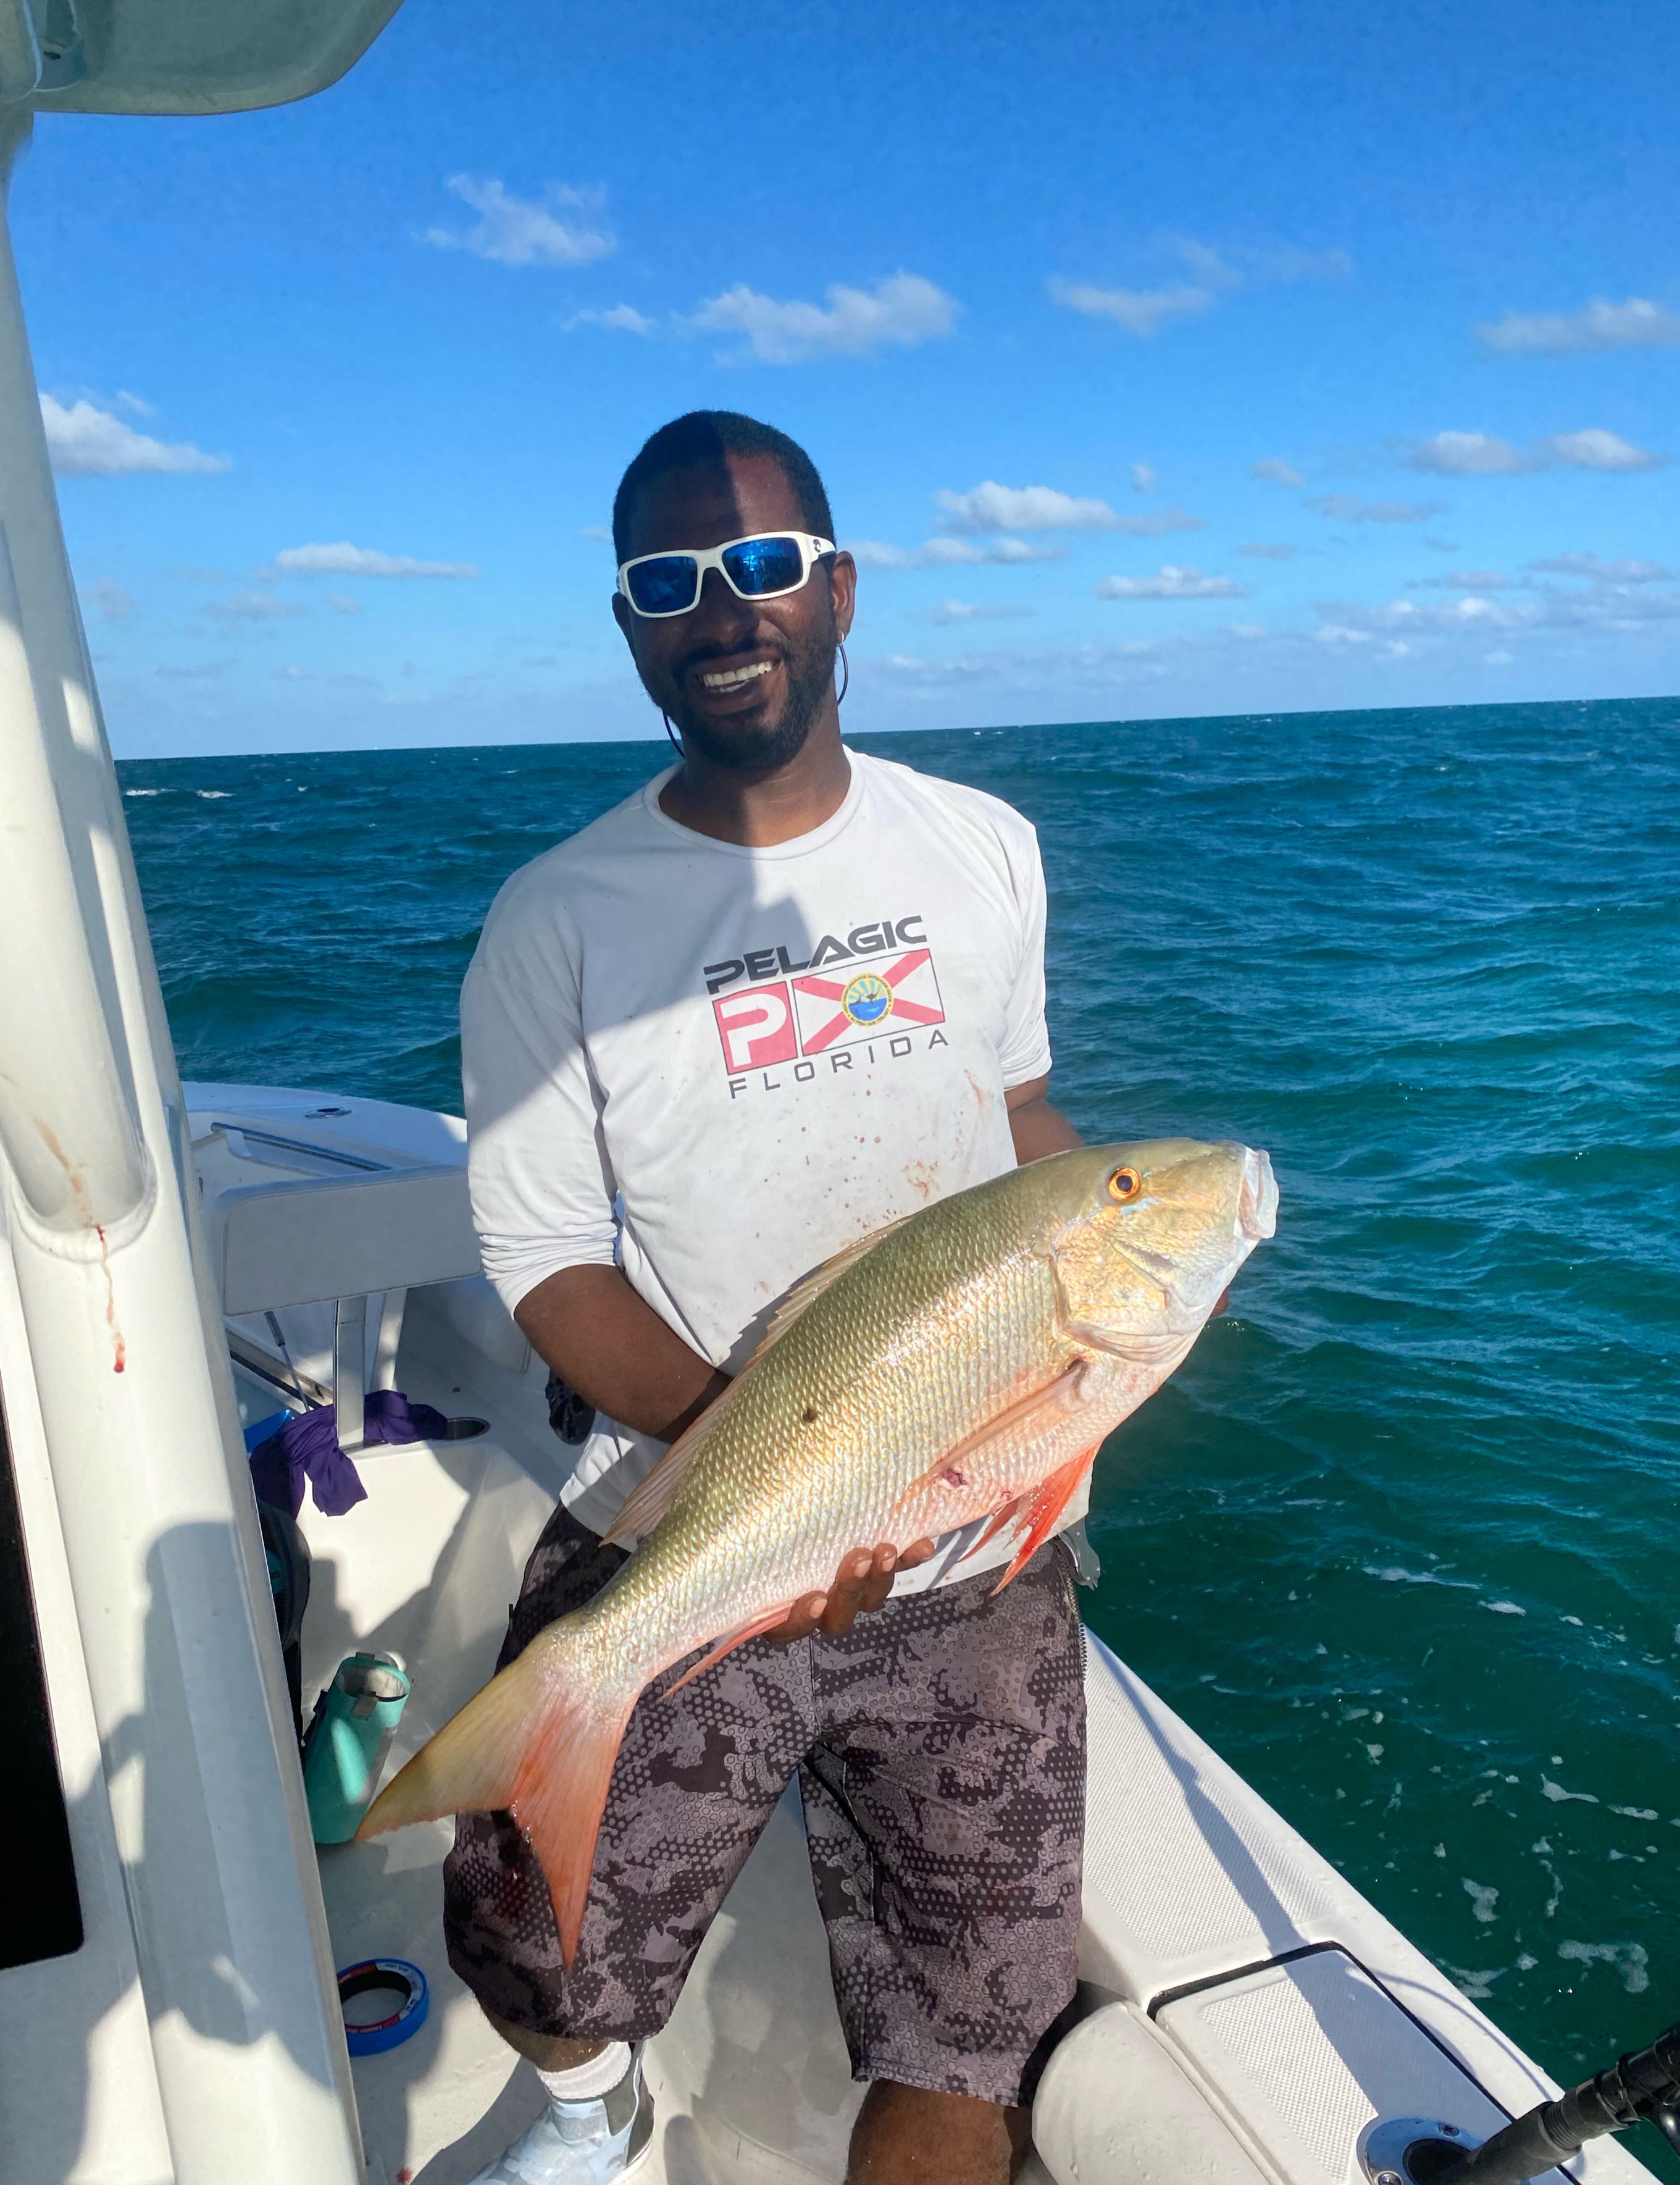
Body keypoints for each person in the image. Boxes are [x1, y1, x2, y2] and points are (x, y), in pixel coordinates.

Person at [447, 409, 1089, 2185]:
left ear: (838, 590)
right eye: (671, 581)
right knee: (535, 1945)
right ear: (633, 627)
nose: (723, 608)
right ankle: (587, 2102)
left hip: (966, 1559)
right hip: (686, 1522)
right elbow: (546, 1263)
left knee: (979, 2028)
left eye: (761, 566)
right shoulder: (557, 917)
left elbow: (1017, 1108)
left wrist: (1098, 1269)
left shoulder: (979, 849)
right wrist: (811, 1474)